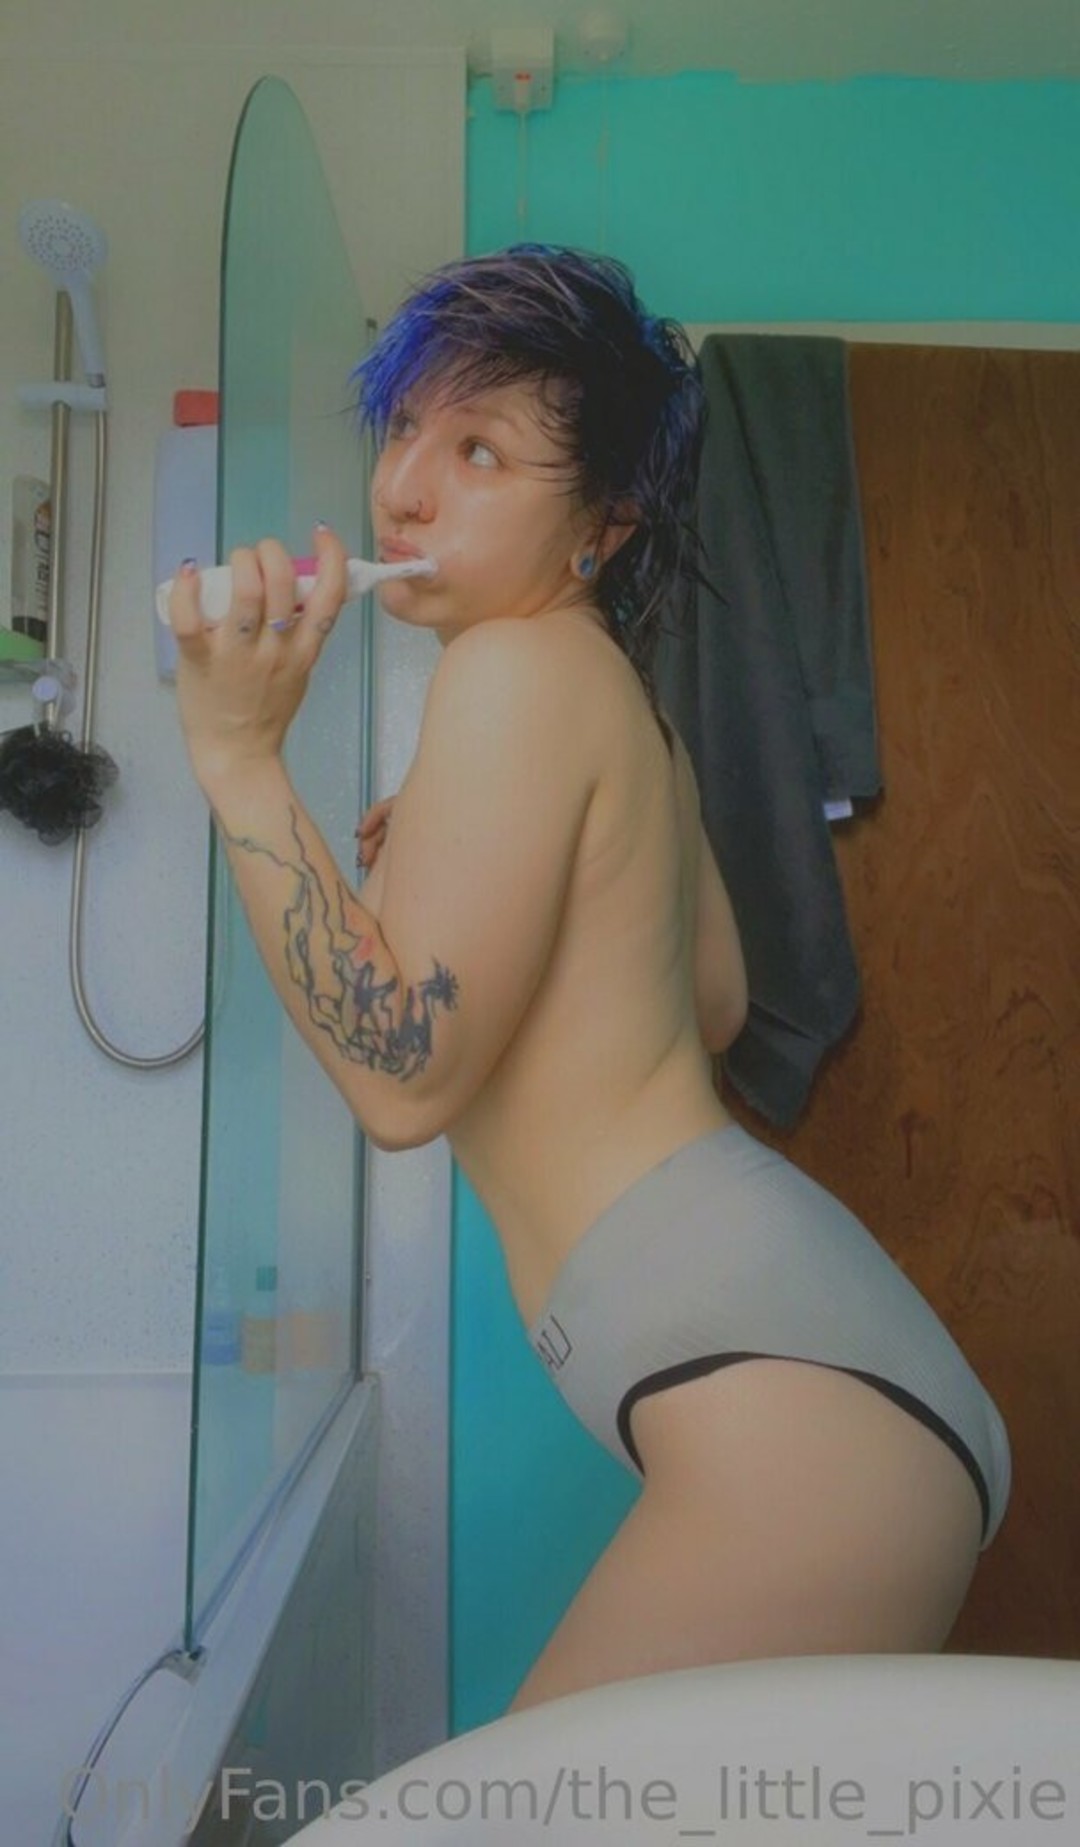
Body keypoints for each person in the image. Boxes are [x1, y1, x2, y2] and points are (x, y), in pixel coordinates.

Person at [169, 244, 1010, 1714]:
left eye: (480, 451)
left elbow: (402, 1083)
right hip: (840, 1383)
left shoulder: (516, 673)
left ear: (603, 525)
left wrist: (239, 757)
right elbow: (718, 1007)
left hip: (800, 1416)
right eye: (405, 430)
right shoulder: (627, 715)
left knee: (525, 1809)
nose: (403, 488)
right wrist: (489, 865)